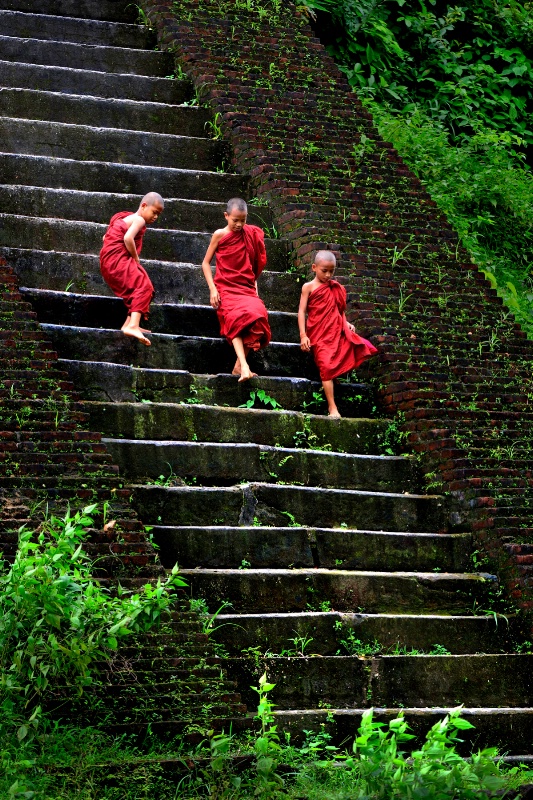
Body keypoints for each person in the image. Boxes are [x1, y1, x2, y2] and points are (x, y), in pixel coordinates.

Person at [298, 250, 377, 418]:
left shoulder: (335, 288)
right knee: (326, 366)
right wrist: (303, 335)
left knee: (351, 346)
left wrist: (346, 322)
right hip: (318, 333)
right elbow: (301, 311)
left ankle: (334, 380)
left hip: (334, 329)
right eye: (324, 270)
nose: (328, 275)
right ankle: (332, 408)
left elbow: (338, 310)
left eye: (331, 271)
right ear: (314, 267)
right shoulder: (308, 287)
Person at [201, 197, 271, 381]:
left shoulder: (250, 234)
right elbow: (206, 263)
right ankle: (244, 365)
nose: (240, 224)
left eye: (243, 220)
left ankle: (238, 367)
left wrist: (255, 290)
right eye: (235, 220)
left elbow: (253, 267)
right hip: (226, 288)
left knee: (258, 313)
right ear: (226, 216)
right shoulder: (220, 235)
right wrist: (212, 289)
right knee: (234, 318)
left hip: (246, 288)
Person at [99, 192, 164, 346]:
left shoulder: (123, 218)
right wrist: (135, 258)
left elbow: (105, 237)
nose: (155, 217)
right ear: (143, 206)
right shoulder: (139, 219)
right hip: (117, 260)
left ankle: (128, 324)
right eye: (154, 212)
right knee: (143, 285)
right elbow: (128, 238)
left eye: (158, 214)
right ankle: (133, 326)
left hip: (108, 261)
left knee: (140, 286)